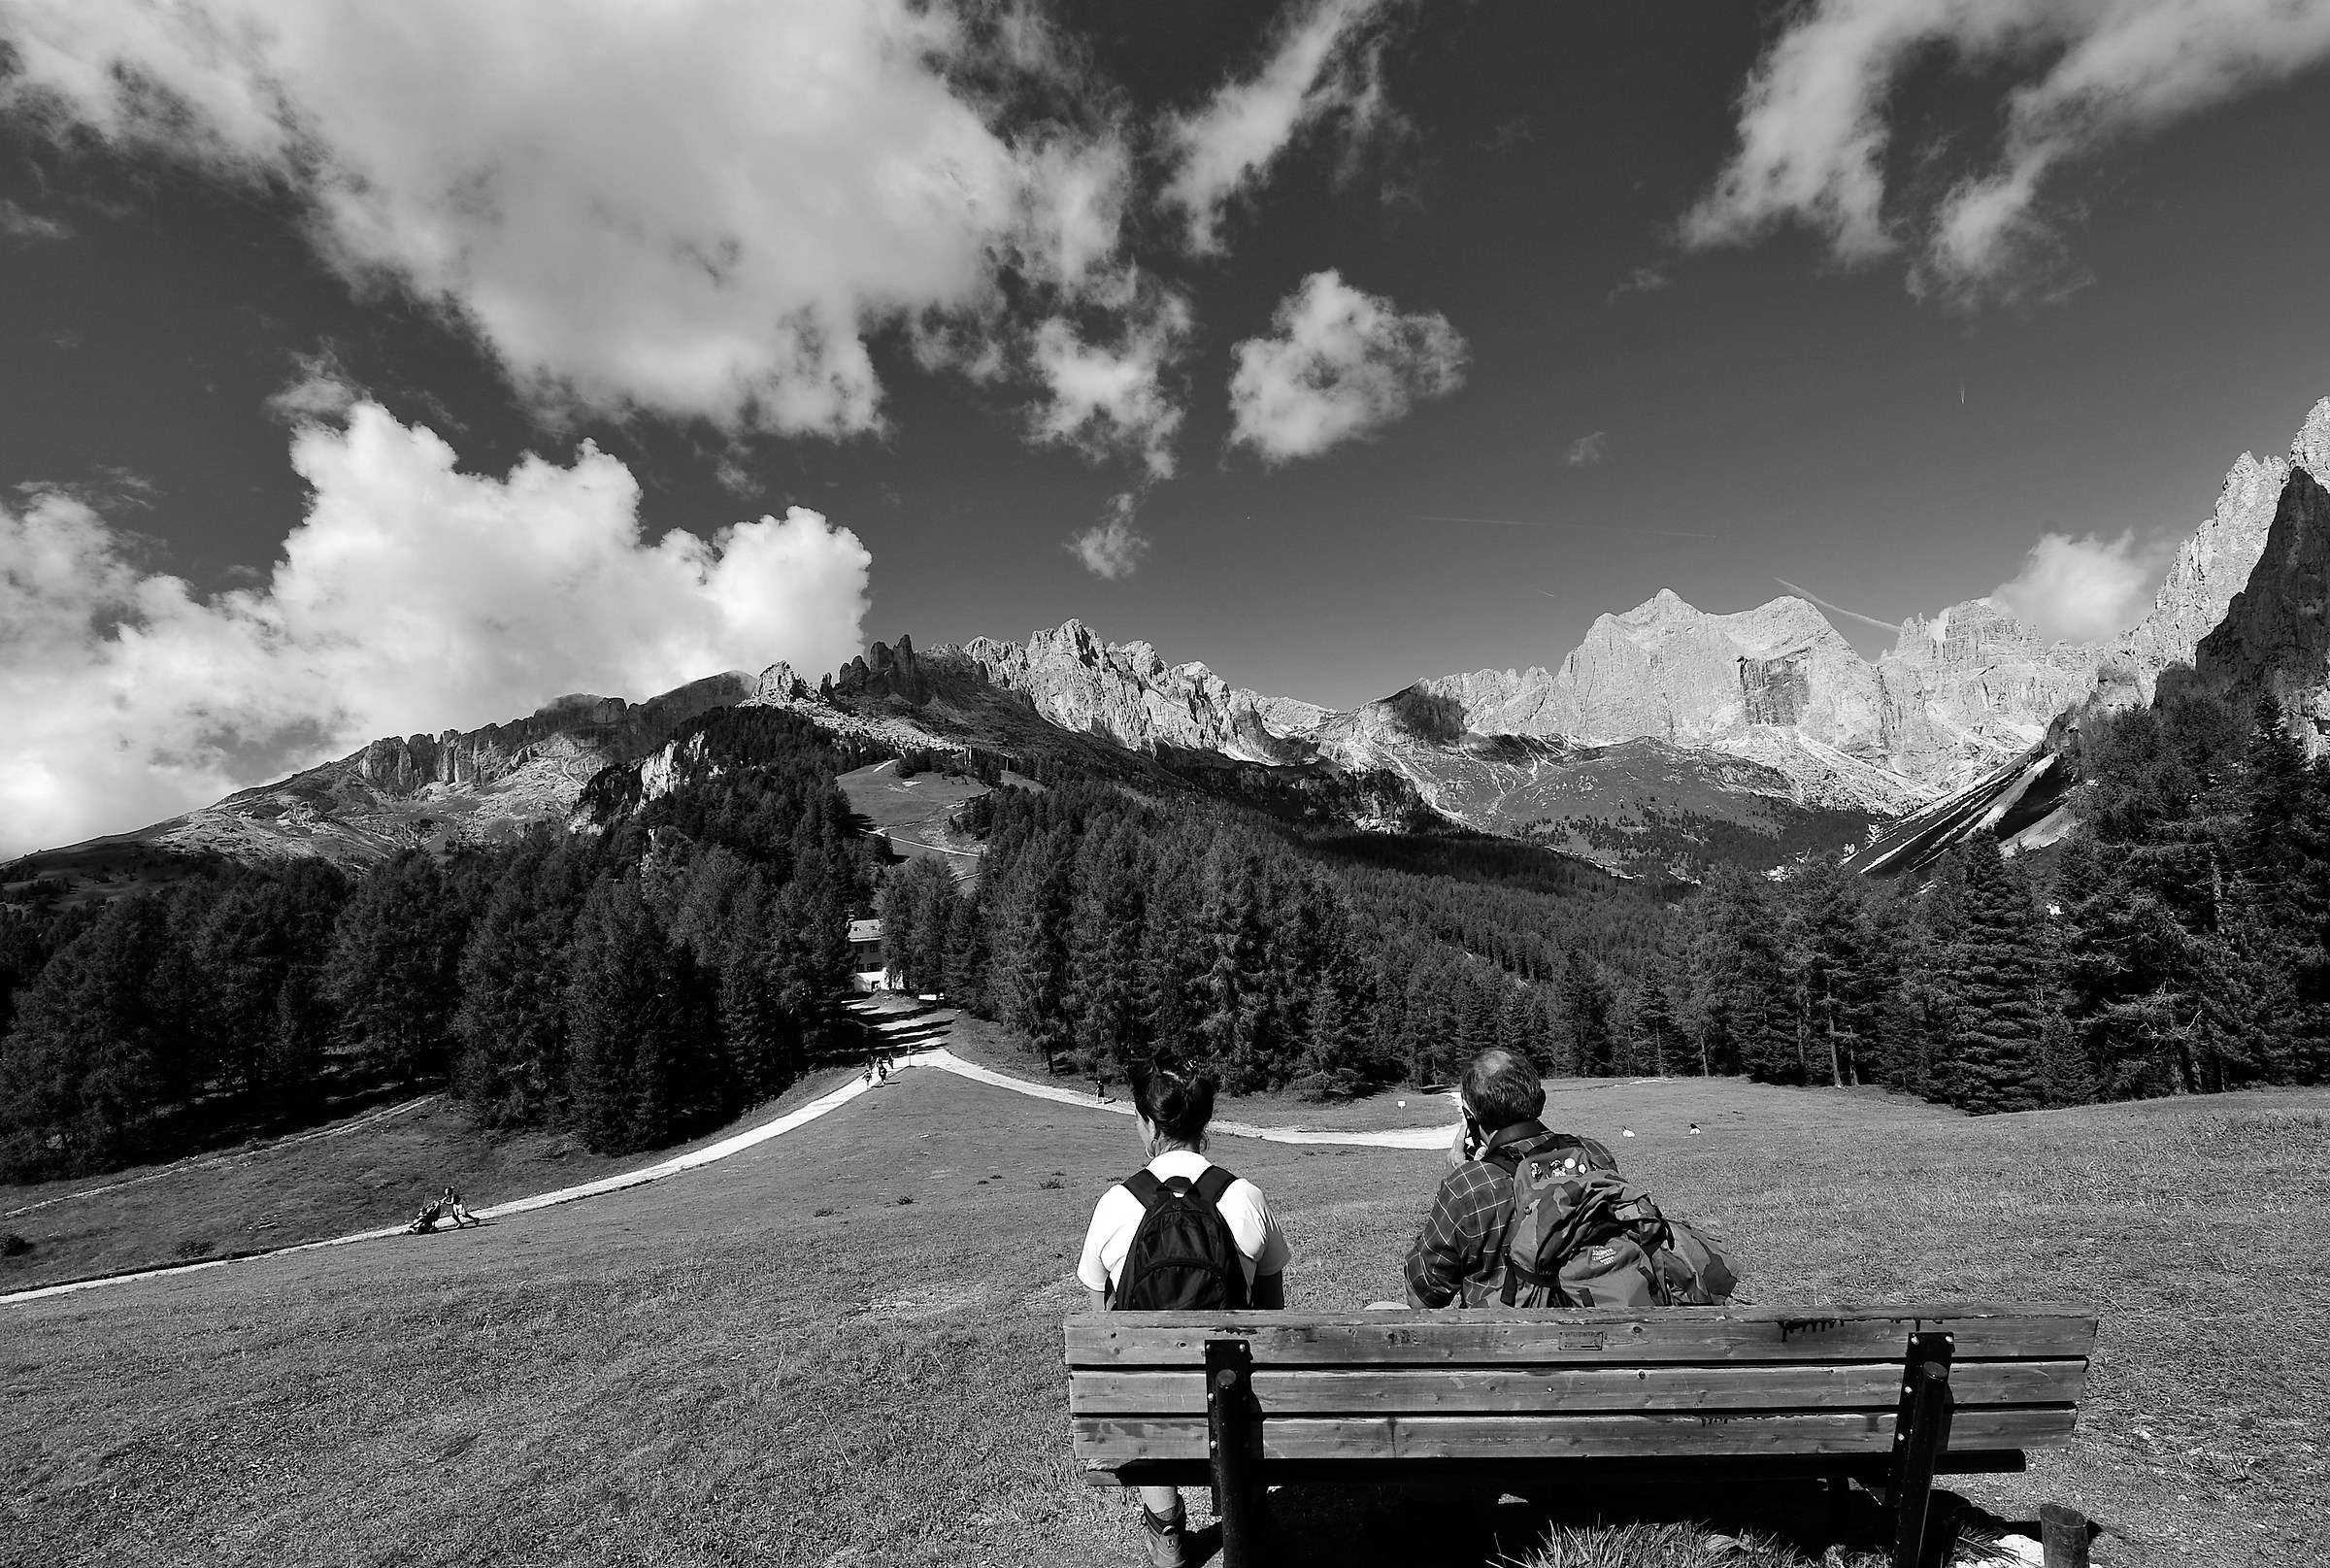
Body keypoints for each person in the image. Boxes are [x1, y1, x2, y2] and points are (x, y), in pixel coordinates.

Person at [1079, 1065, 1290, 1568]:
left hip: (1151, 1407)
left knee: (1136, 1377)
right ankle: (1249, 1513)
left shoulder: (1114, 1204)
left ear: (1151, 1127)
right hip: (1232, 1405)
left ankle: (1167, 1526)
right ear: (1205, 1122)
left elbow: (1102, 1329)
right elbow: (1273, 1316)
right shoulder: (1245, 1197)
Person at [1403, 1047, 1614, 1309]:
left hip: (1502, 1342)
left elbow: (1422, 1298)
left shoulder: (1468, 1186)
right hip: (1600, 1332)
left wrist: (1453, 1181)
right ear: (1541, 1100)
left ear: (1470, 1117)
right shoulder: (1594, 1154)